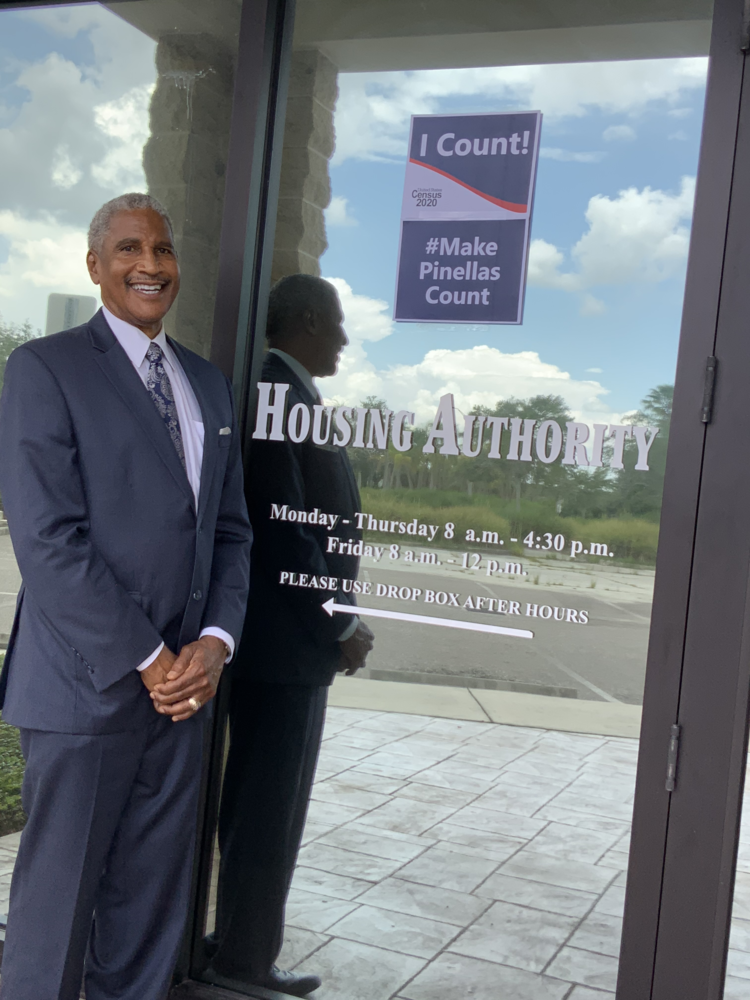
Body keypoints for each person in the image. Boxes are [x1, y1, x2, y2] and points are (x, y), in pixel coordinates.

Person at [0, 192, 252, 1000]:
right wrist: (148, 658)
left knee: (149, 908)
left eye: (164, 249)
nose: (150, 264)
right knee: (56, 911)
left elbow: (230, 534)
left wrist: (214, 644)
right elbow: (47, 541)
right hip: (86, 691)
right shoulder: (45, 370)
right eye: (129, 248)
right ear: (96, 265)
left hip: (183, 699)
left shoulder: (207, 386)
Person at [206, 274, 375, 997]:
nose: (342, 337)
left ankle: (234, 942)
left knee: (259, 808)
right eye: (335, 324)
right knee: (270, 813)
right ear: (307, 320)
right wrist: (341, 622)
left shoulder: (287, 391)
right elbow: (287, 534)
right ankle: (243, 961)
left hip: (279, 648)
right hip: (285, 651)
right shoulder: (280, 394)